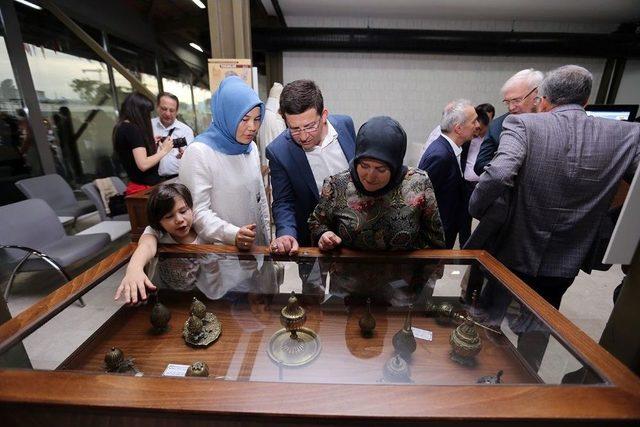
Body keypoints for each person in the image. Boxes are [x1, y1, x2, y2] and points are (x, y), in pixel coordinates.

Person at [469, 65, 640, 370]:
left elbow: (499, 172)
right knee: (542, 320)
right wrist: (611, 227)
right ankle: (529, 375)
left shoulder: (524, 127)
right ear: (587, 100)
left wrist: (476, 209)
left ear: (543, 99)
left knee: (492, 313)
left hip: (514, 247)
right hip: (568, 255)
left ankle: (480, 367)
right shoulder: (627, 134)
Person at [308, 116, 445, 251]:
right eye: (364, 165)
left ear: (395, 167)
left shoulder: (418, 183)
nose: (370, 176)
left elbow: (434, 239)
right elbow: (317, 223)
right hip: (349, 270)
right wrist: (324, 235)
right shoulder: (337, 185)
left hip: (404, 271)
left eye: (381, 169)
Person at [179, 75, 271, 251]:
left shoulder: (250, 147)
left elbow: (259, 199)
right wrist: (232, 234)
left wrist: (266, 238)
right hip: (223, 251)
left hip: (255, 245)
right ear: (227, 115)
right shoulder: (199, 152)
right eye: (244, 119)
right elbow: (197, 213)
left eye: (257, 119)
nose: (252, 126)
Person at [266, 79, 356, 255]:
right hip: (311, 238)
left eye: (309, 126)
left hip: (354, 231)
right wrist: (286, 234)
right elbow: (284, 201)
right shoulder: (279, 151)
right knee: (314, 284)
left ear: (323, 115)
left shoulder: (345, 125)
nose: (304, 136)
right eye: (294, 129)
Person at [114, 183, 203, 304]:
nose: (179, 219)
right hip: (162, 297)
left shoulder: (203, 231)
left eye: (183, 211)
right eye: (169, 216)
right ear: (158, 221)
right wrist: (134, 269)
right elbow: (146, 246)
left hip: (197, 296)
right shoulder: (156, 232)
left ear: (191, 208)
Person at [418, 99, 478, 248]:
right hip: (437, 234)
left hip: (446, 228)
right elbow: (423, 197)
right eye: (473, 121)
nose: (477, 126)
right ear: (458, 128)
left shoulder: (449, 149)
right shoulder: (440, 155)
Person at [473, 69, 543, 176]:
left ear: (535, 95)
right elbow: (479, 165)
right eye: (507, 102)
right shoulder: (497, 126)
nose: (511, 107)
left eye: (516, 100)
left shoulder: (552, 123)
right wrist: (508, 166)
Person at [113, 92, 173, 195]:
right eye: (147, 112)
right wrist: (164, 150)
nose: (148, 116)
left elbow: (129, 152)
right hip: (144, 189)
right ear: (139, 111)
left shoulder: (120, 127)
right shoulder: (132, 129)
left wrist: (146, 143)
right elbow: (143, 164)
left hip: (134, 185)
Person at [459, 106, 491, 242]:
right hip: (466, 185)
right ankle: (464, 250)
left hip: (483, 185)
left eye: (480, 129)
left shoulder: (491, 141)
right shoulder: (466, 140)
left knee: (484, 221)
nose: (476, 131)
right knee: (464, 220)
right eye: (475, 127)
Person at [152, 92, 195, 177]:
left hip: (178, 178)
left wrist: (185, 156)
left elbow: (193, 159)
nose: (168, 114)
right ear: (157, 107)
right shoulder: (148, 126)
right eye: (164, 109)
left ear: (177, 111)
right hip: (152, 180)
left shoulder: (186, 131)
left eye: (172, 110)